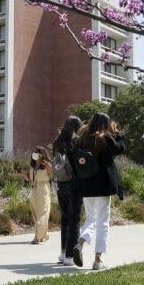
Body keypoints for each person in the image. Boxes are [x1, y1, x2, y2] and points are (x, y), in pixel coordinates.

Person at [73, 112, 125, 270]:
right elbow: (120, 149)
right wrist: (119, 134)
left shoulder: (82, 138)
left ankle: (80, 243)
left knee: (90, 219)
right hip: (103, 186)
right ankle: (97, 260)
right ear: (106, 123)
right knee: (102, 222)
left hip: (87, 186)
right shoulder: (105, 138)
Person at [52, 115, 83, 266]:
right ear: (77, 127)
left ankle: (63, 252)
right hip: (74, 184)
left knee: (65, 219)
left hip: (60, 183)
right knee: (75, 219)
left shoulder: (57, 141)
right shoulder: (76, 141)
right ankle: (70, 256)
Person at [28, 146, 53, 244]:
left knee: (42, 213)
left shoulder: (46, 164)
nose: (34, 153)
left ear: (41, 154)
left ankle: (37, 237)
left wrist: (46, 163)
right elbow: (31, 179)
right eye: (34, 151)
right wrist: (24, 175)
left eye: (36, 152)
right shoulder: (33, 165)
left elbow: (51, 175)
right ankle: (44, 234)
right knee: (36, 214)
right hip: (34, 189)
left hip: (43, 189)